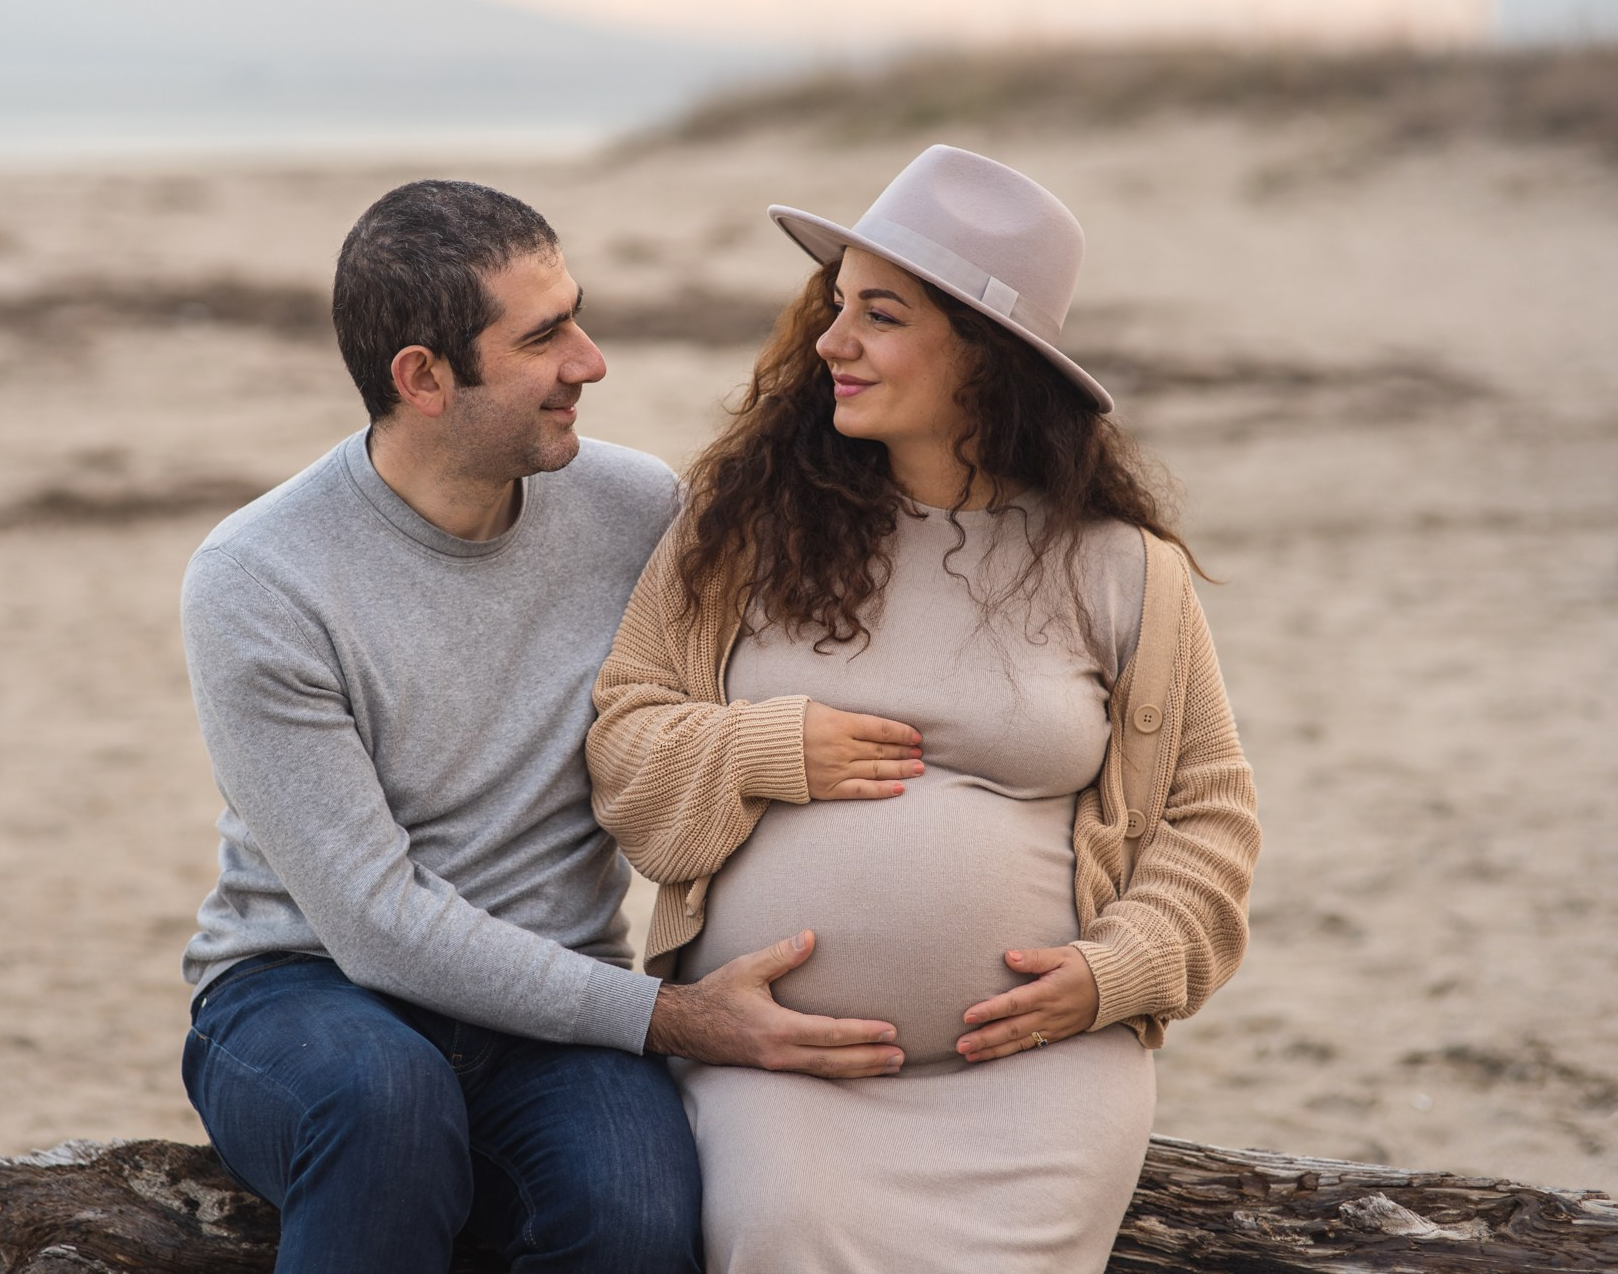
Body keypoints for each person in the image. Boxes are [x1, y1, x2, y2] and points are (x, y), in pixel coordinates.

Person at [176, 178, 906, 1274]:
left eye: (577, 312)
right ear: (422, 378)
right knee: (388, 1106)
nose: (590, 360)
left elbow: (804, 568)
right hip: (304, 991)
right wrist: (673, 1018)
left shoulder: (633, 508)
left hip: (557, 999)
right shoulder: (258, 577)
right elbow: (375, 921)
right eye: (544, 336)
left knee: (639, 1217)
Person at [587, 146, 1262, 1272]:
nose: (829, 343)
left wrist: (1114, 972)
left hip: (1036, 1078)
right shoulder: (740, 530)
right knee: (776, 1232)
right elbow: (625, 736)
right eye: (834, 306)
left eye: (878, 316)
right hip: (785, 1063)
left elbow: (1208, 814)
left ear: (987, 363)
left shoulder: (1119, 568)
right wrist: (761, 748)